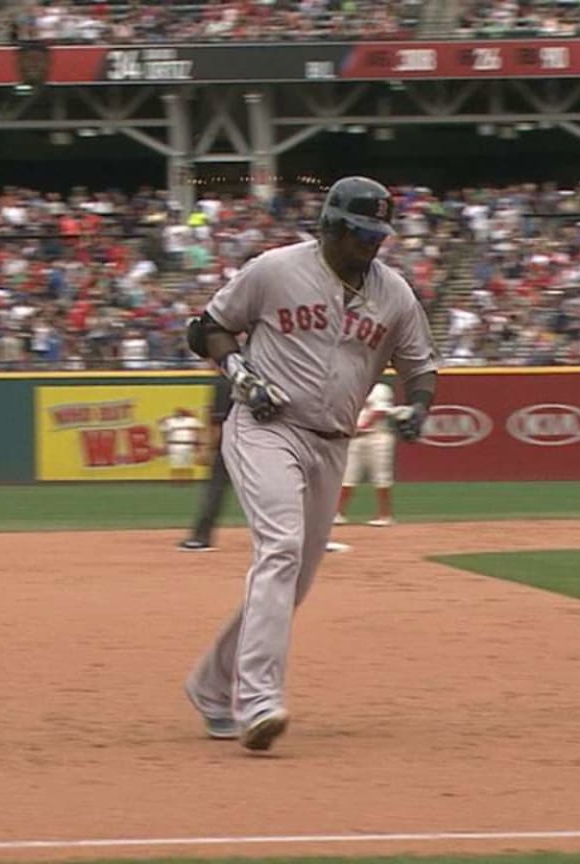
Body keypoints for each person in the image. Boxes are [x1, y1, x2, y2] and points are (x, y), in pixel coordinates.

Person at [180, 175, 439, 752]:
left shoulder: (393, 292)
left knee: (292, 582)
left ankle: (211, 685)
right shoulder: (274, 270)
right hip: (265, 428)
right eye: (359, 231)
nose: (371, 243)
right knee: (280, 550)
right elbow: (207, 328)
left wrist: (419, 406)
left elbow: (421, 366)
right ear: (330, 225)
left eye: (378, 233)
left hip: (332, 443)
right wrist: (239, 373)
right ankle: (259, 701)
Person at [177, 375, 235, 550]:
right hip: (263, 443)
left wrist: (209, 449)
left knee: (215, 489)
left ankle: (201, 537)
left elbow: (218, 423)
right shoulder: (260, 372)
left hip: (229, 444)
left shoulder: (224, 381)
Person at [335, 381, 398, 526]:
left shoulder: (380, 388)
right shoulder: (350, 388)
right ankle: (338, 513)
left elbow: (379, 412)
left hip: (377, 436)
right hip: (355, 439)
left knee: (381, 476)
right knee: (347, 476)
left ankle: (385, 515)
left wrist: (360, 427)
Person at [159, 406, 205, 486]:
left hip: (188, 445)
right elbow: (162, 428)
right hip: (174, 445)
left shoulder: (190, 420)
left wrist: (198, 443)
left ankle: (188, 481)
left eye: (180, 413)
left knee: (187, 464)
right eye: (177, 413)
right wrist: (165, 443)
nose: (178, 414)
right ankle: (176, 481)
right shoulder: (170, 421)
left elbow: (200, 428)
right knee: (176, 465)